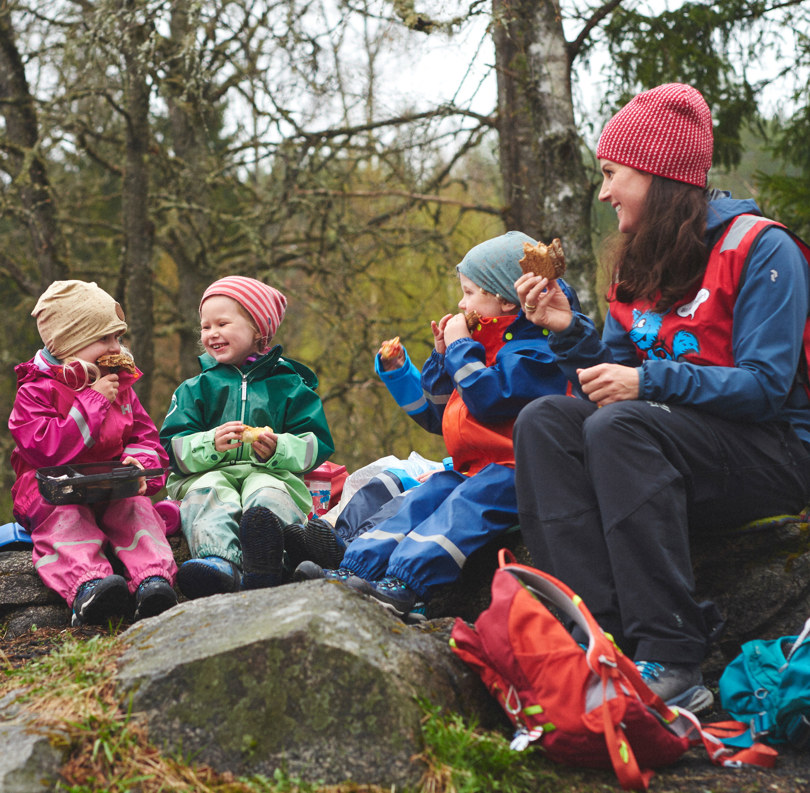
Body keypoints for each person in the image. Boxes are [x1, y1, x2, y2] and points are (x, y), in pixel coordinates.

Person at [513, 83, 810, 714]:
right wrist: (572, 333)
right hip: (668, 445)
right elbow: (618, 374)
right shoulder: (637, 265)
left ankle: (673, 656)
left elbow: (766, 387)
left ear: (658, 174)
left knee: (620, 428)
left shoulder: (762, 249)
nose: (603, 191)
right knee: (544, 422)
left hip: (775, 452)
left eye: (612, 172)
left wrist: (649, 384)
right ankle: (595, 636)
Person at [295, 231, 583, 621]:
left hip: (519, 472)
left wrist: (463, 348)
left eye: (469, 292)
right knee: (421, 499)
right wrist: (436, 360)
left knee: (461, 510)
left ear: (503, 299)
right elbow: (443, 415)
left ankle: (407, 585)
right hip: (472, 468)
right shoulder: (488, 345)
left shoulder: (537, 350)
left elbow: (490, 399)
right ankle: (354, 570)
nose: (461, 304)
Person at [8, 280, 178, 626]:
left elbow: (146, 437)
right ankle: (89, 587)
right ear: (70, 343)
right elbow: (46, 450)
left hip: (110, 485)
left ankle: (153, 580)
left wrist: (141, 465)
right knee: (66, 521)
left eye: (118, 338)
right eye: (104, 339)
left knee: (137, 509)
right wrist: (95, 400)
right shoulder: (35, 392)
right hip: (52, 492)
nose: (115, 348)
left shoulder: (121, 385)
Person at [159, 275, 335, 599]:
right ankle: (219, 563)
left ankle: (268, 563)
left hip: (271, 472)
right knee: (209, 492)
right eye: (205, 326)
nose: (212, 333)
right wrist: (209, 444)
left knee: (267, 493)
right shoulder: (194, 389)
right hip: (208, 473)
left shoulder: (290, 386)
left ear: (257, 329)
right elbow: (171, 447)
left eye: (222, 323)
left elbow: (316, 444)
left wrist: (279, 448)